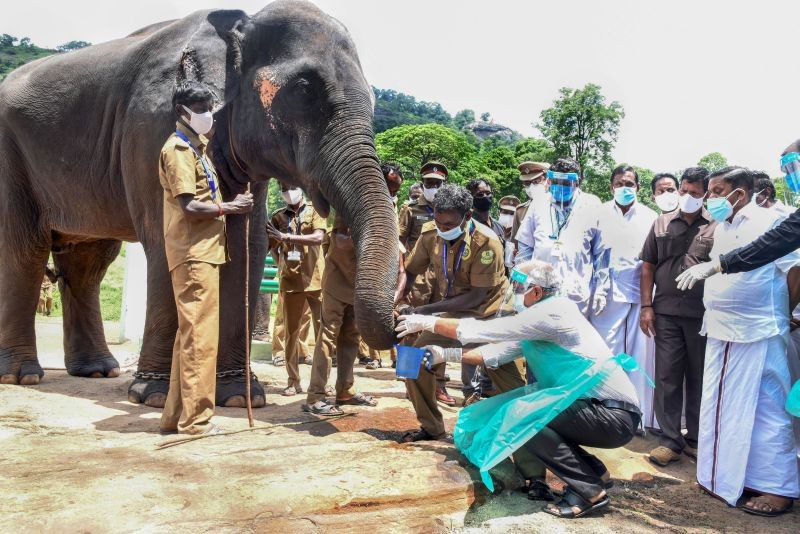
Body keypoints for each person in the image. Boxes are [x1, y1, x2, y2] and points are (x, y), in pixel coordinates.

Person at [396, 259, 641, 519]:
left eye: (518, 286)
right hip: (600, 411)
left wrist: (426, 322)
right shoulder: (543, 317)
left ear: (536, 292)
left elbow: (485, 331)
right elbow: (496, 353)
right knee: (532, 414)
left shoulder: (551, 313)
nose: (513, 292)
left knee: (522, 416)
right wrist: (445, 354)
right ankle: (594, 472)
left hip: (610, 415)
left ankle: (589, 492)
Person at [689, 167, 800, 515]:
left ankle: (778, 489)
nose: (710, 198)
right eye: (709, 192)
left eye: (717, 191)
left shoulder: (770, 221)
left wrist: (782, 314)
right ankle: (728, 479)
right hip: (722, 330)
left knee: (766, 409)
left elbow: (795, 273)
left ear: (740, 192)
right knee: (725, 410)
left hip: (760, 331)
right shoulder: (723, 226)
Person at [158, 80, 254, 435]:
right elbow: (189, 204)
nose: (207, 114)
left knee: (190, 336)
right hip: (193, 253)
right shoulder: (179, 151)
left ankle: (175, 416)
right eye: (201, 108)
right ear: (182, 112)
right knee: (201, 337)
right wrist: (231, 207)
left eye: (209, 106)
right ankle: (197, 421)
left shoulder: (197, 150)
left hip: (202, 252)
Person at [400, 184, 523, 440]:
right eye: (439, 222)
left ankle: (523, 437)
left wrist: (424, 313)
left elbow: (476, 296)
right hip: (454, 314)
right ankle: (431, 426)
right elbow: (411, 270)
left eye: (449, 224)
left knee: (509, 385)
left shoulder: (486, 242)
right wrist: (398, 295)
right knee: (411, 360)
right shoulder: (430, 233)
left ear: (467, 216)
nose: (443, 229)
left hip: (490, 317)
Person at [302, 167, 406, 415]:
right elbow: (340, 242)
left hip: (361, 286)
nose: (391, 193)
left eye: (395, 190)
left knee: (351, 337)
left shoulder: (388, 210)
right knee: (328, 336)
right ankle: (315, 395)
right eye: (389, 186)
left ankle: (345, 390)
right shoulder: (352, 201)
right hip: (340, 282)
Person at [639, 167, 716, 466]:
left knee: (699, 376)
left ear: (706, 194)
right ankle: (670, 440)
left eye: (695, 193)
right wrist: (647, 306)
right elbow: (647, 265)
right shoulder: (661, 222)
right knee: (668, 374)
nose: (686, 197)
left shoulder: (717, 225)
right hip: (666, 312)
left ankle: (696, 439)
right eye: (684, 190)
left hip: (702, 314)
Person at [675, 139, 800, 285]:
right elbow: (772, 244)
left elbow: (771, 245)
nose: (790, 176)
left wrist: (719, 265)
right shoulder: (721, 227)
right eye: (787, 170)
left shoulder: (771, 220)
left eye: (793, 167)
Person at [590, 166, 658, 429]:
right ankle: (604, 414)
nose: (625, 187)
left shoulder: (651, 217)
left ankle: (638, 417)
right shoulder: (598, 215)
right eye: (620, 183)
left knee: (641, 357)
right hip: (605, 296)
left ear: (638, 188)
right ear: (611, 187)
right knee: (606, 353)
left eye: (630, 183)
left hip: (642, 296)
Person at [514, 157, 602, 315]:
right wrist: (520, 287)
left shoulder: (592, 205)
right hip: (539, 292)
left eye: (566, 183)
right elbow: (525, 249)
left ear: (578, 182)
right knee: (538, 338)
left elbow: (601, 254)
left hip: (576, 295)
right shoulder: (539, 203)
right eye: (555, 182)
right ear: (549, 180)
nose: (560, 187)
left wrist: (601, 290)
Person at [399, 161, 455, 406]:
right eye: (429, 183)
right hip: (418, 277)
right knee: (411, 328)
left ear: (444, 184)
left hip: (444, 277)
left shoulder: (451, 210)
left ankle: (439, 385)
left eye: (437, 183)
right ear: (422, 184)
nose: (433, 187)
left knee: (441, 329)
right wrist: (404, 273)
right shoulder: (410, 210)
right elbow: (398, 240)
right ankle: (410, 382)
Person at [267, 184, 326, 396]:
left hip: (316, 280)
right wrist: (281, 263)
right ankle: (293, 381)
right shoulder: (278, 217)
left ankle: (321, 382)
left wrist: (288, 238)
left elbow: (318, 238)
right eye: (283, 188)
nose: (288, 191)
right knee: (291, 333)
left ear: (300, 188)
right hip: (291, 281)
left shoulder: (316, 210)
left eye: (291, 186)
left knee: (322, 332)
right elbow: (270, 244)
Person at [510, 161, 550, 247]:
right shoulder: (520, 211)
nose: (531, 187)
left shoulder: (558, 207)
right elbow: (515, 245)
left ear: (547, 180)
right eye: (527, 183)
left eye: (536, 181)